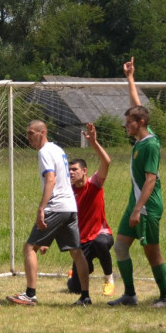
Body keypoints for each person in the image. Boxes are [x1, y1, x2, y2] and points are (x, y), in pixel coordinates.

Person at [108, 57, 166, 308]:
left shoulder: (151, 145)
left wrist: (138, 209)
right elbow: (137, 106)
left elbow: (150, 180)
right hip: (134, 204)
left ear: (141, 124)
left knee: (152, 252)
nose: (126, 126)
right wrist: (130, 78)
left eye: (129, 123)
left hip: (146, 207)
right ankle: (130, 295)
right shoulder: (140, 136)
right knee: (121, 246)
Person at [6, 119, 92, 307]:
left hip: (56, 206)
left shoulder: (44, 152)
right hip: (70, 206)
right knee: (76, 252)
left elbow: (51, 180)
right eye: (27, 133)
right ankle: (85, 296)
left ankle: (30, 295)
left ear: (42, 132)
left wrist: (42, 208)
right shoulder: (58, 149)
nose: (28, 137)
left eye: (31, 133)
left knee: (30, 248)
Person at [65, 121, 116, 297]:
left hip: (101, 235)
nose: (71, 173)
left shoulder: (94, 183)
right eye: (69, 170)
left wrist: (93, 142)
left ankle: (109, 279)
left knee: (101, 243)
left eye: (74, 169)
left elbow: (106, 161)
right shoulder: (67, 191)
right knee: (75, 288)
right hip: (82, 242)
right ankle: (75, 275)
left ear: (85, 171)